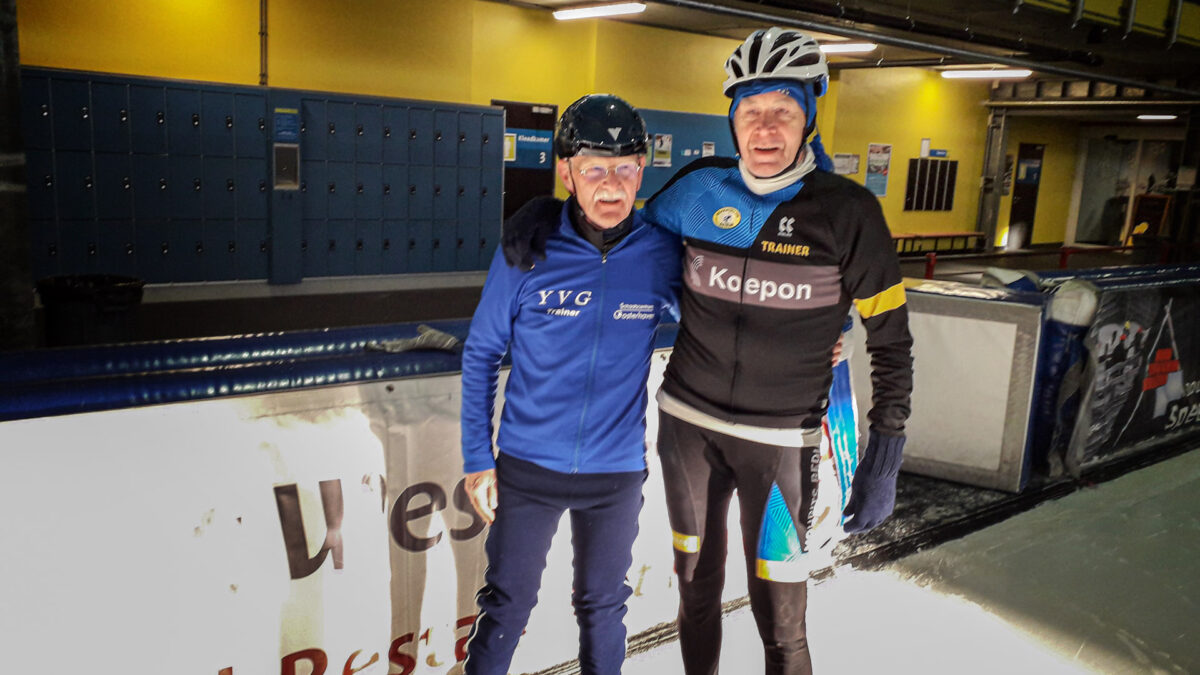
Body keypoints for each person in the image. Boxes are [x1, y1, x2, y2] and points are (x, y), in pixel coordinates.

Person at [503, 28, 914, 675]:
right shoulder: (699, 189)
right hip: (687, 430)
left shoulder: (848, 212)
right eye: (751, 110)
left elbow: (892, 343)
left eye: (784, 109)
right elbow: (616, 225)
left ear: (810, 115)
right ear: (732, 118)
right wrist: (546, 214)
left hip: (780, 441)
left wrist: (885, 456)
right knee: (695, 594)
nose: (765, 127)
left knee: (781, 620)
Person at [458, 94, 681, 675]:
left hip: (616, 472)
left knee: (603, 607)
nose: (611, 185)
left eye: (625, 168)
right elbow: (481, 352)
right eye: (593, 169)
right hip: (529, 469)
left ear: (642, 171)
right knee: (507, 605)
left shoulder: (660, 253)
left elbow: (723, 315)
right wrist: (478, 459)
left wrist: (814, 340)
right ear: (566, 173)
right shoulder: (528, 248)